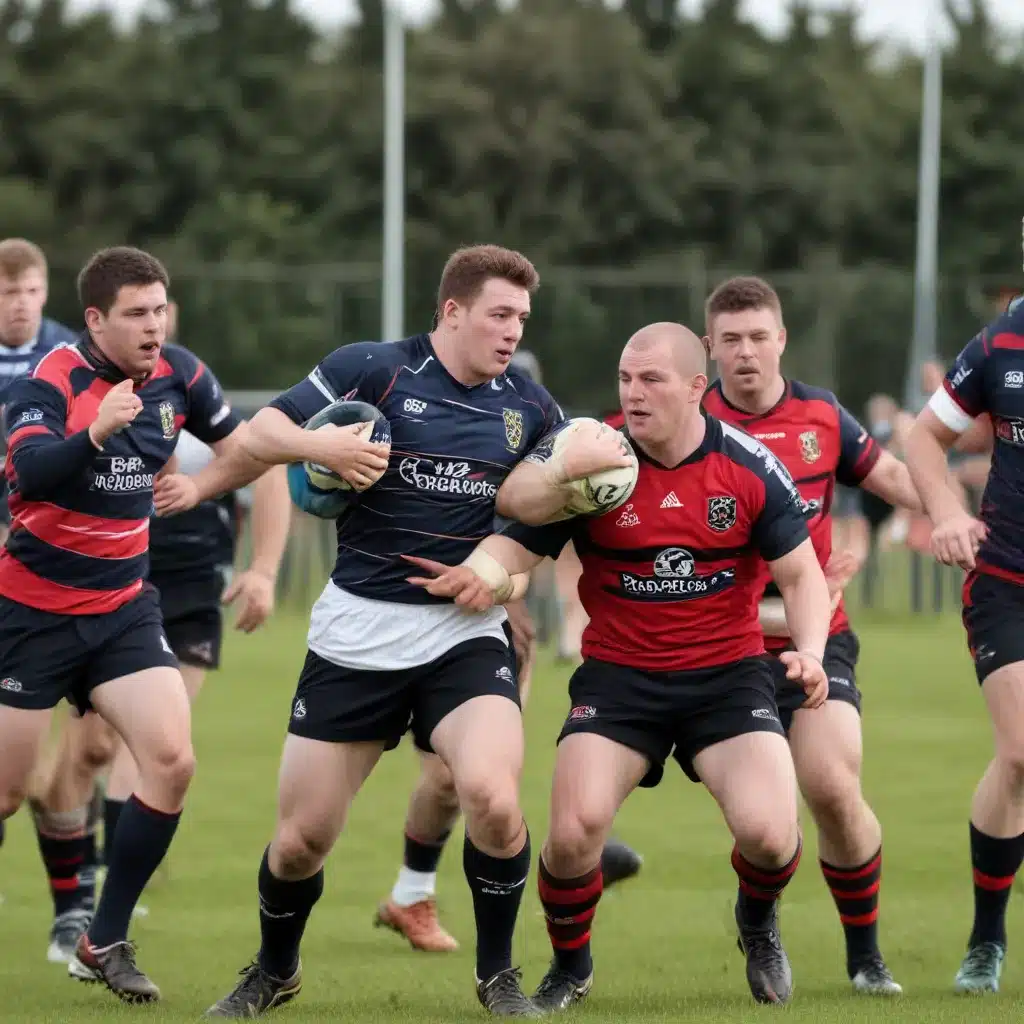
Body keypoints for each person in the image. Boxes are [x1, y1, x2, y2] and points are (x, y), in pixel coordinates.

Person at [154, 244, 630, 1018]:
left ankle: (499, 976)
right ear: (453, 311)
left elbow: (542, 528)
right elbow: (263, 433)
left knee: (491, 797)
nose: (513, 331)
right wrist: (317, 447)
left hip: (463, 635)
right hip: (358, 632)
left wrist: (499, 577)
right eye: (499, 315)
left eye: (521, 318)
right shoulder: (373, 368)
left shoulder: (531, 409)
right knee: (301, 841)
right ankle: (275, 970)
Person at [407, 321, 832, 1009]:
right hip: (619, 679)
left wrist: (810, 651)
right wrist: (479, 573)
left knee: (770, 834)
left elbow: (803, 576)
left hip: (727, 678)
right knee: (572, 835)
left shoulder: (748, 466)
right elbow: (517, 546)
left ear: (696, 388)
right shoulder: (593, 461)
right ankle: (571, 966)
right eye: (625, 379)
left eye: (651, 380)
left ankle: (757, 920)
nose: (633, 393)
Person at [0, 246, 306, 1004]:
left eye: (160, 309)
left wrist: (215, 502)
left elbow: (251, 454)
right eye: (136, 313)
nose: (153, 326)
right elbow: (29, 476)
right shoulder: (51, 380)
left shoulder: (182, 375)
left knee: (171, 760)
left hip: (122, 609)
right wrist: (95, 433)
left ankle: (103, 939)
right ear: (96, 319)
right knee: (6, 793)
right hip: (32, 612)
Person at [701, 276, 922, 995]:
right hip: (720, 646)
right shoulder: (690, 421)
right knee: (762, 818)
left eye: (758, 337)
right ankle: (758, 916)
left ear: (781, 340)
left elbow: (891, 476)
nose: (745, 352)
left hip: (816, 636)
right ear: (709, 347)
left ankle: (866, 958)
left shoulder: (821, 415)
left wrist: (960, 513)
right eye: (730, 339)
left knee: (830, 785)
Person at [904, 294, 1024, 994]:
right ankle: (987, 938)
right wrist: (947, 510)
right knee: (1020, 752)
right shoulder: (1001, 342)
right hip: (1006, 580)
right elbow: (924, 437)